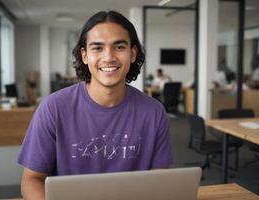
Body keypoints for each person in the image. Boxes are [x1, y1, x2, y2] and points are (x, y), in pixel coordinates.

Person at [18, 10, 173, 199]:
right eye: (97, 48)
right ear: (84, 55)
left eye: (119, 47)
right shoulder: (53, 108)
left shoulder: (154, 112)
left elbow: (159, 181)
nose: (108, 57)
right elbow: (31, 180)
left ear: (132, 53)